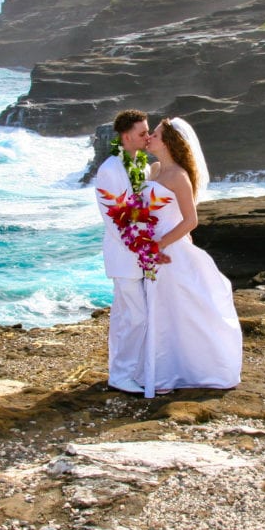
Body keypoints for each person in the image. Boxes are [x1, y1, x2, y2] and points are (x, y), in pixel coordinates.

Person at [134, 117, 242, 398]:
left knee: (176, 311)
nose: (149, 138)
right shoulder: (155, 169)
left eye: (154, 135)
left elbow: (190, 220)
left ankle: (175, 372)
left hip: (170, 250)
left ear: (169, 142)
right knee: (158, 308)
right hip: (153, 249)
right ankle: (161, 370)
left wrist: (159, 245)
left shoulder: (179, 176)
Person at [94, 109, 152, 393]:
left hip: (137, 254)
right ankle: (122, 375)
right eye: (143, 133)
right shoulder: (109, 170)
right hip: (125, 255)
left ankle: (124, 370)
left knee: (124, 315)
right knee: (136, 315)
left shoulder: (139, 164)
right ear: (126, 137)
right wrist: (142, 251)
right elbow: (116, 220)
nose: (148, 137)